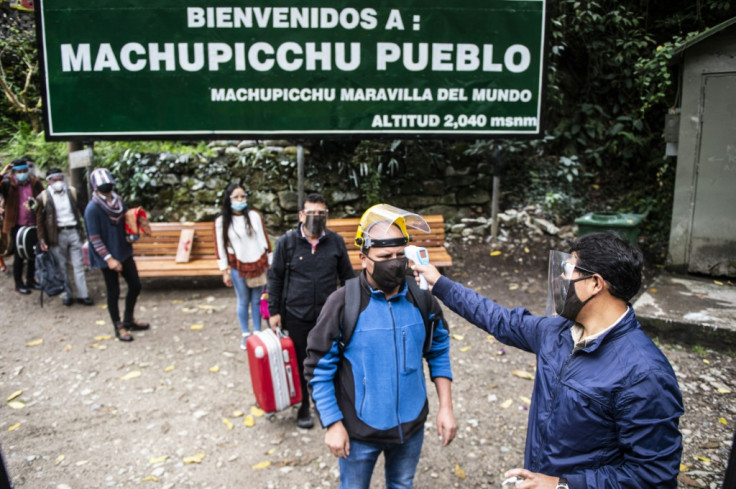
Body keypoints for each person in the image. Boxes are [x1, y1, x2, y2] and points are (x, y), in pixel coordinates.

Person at [413, 231, 684, 489]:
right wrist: (439, 283)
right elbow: (499, 320)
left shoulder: (644, 374)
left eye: (567, 271)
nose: (560, 279)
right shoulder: (559, 331)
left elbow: (653, 476)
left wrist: (562, 485)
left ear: (595, 284)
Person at [304, 204, 457, 489]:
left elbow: (438, 350)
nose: (395, 263)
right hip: (358, 431)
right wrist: (332, 423)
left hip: (411, 428)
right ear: (364, 258)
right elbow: (317, 369)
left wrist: (445, 407)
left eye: (400, 256)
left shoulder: (422, 298)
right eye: (385, 257)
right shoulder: (342, 304)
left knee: (402, 484)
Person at [267, 193, 354, 429]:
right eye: (311, 213)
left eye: (321, 214)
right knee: (300, 362)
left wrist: (356, 305)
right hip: (296, 314)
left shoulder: (335, 242)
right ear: (301, 215)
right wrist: (273, 311)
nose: (316, 218)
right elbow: (274, 278)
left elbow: (347, 277)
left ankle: (326, 405)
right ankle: (304, 406)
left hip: (329, 315)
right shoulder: (286, 242)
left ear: (327, 215)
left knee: (331, 359)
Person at [85, 168, 149, 342]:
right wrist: (109, 259)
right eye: (102, 185)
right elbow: (94, 238)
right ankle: (118, 326)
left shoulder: (118, 201)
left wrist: (133, 233)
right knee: (113, 292)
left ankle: (129, 319)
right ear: (95, 187)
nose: (106, 186)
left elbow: (126, 221)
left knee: (135, 285)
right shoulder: (93, 209)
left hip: (123, 250)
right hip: (107, 256)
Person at [215, 183, 272, 350]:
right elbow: (220, 247)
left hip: (259, 263)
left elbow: (264, 239)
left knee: (257, 300)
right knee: (242, 300)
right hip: (237, 266)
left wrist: (269, 261)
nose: (240, 200)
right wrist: (224, 270)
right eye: (236, 197)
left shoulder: (254, 216)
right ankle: (245, 333)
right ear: (229, 199)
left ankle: (257, 332)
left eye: (243, 196)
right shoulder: (222, 221)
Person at [36, 168, 93, 306]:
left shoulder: (72, 192)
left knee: (78, 265)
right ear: (48, 181)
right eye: (54, 179)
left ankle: (82, 294)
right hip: (56, 235)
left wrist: (87, 232)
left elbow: (83, 210)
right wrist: (42, 240)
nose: (58, 182)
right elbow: (40, 221)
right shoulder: (43, 197)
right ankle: (66, 294)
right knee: (61, 266)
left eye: (60, 178)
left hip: (73, 231)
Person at [0, 157, 45, 294]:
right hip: (16, 224)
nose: (23, 173)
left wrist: (37, 206)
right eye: (19, 171)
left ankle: (31, 280)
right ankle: (18, 283)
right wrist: (3, 173)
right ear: (14, 172)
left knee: (33, 251)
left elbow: (43, 197)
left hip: (33, 222)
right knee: (19, 255)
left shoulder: (34, 182)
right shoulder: (8, 183)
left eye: (25, 170)